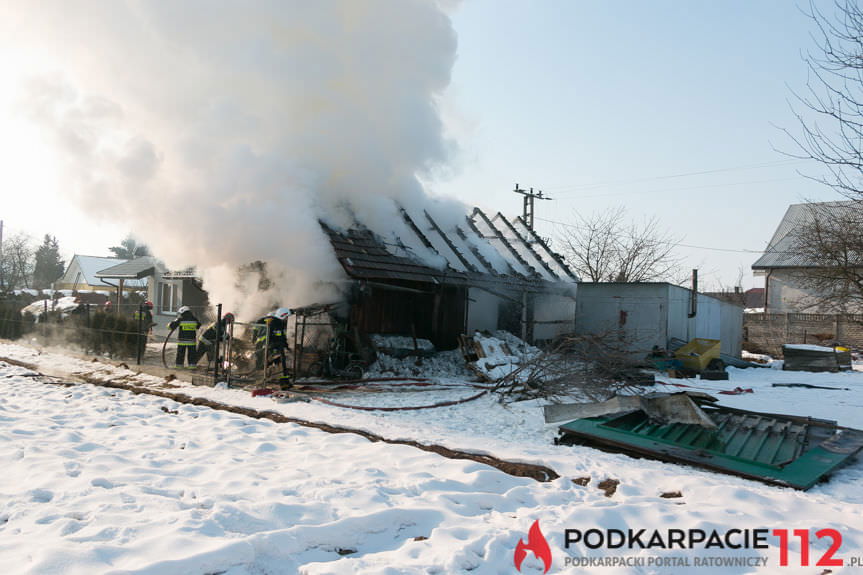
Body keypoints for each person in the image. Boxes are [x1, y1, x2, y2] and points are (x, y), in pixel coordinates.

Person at [253, 307, 291, 381]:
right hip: (269, 345)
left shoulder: (280, 323)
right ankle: (262, 377)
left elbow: (282, 336)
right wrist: (274, 344)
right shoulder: (274, 322)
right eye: (286, 317)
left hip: (275, 345)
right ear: (283, 315)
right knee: (266, 362)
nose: (287, 319)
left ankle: (281, 380)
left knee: (280, 362)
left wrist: (286, 345)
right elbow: (270, 335)